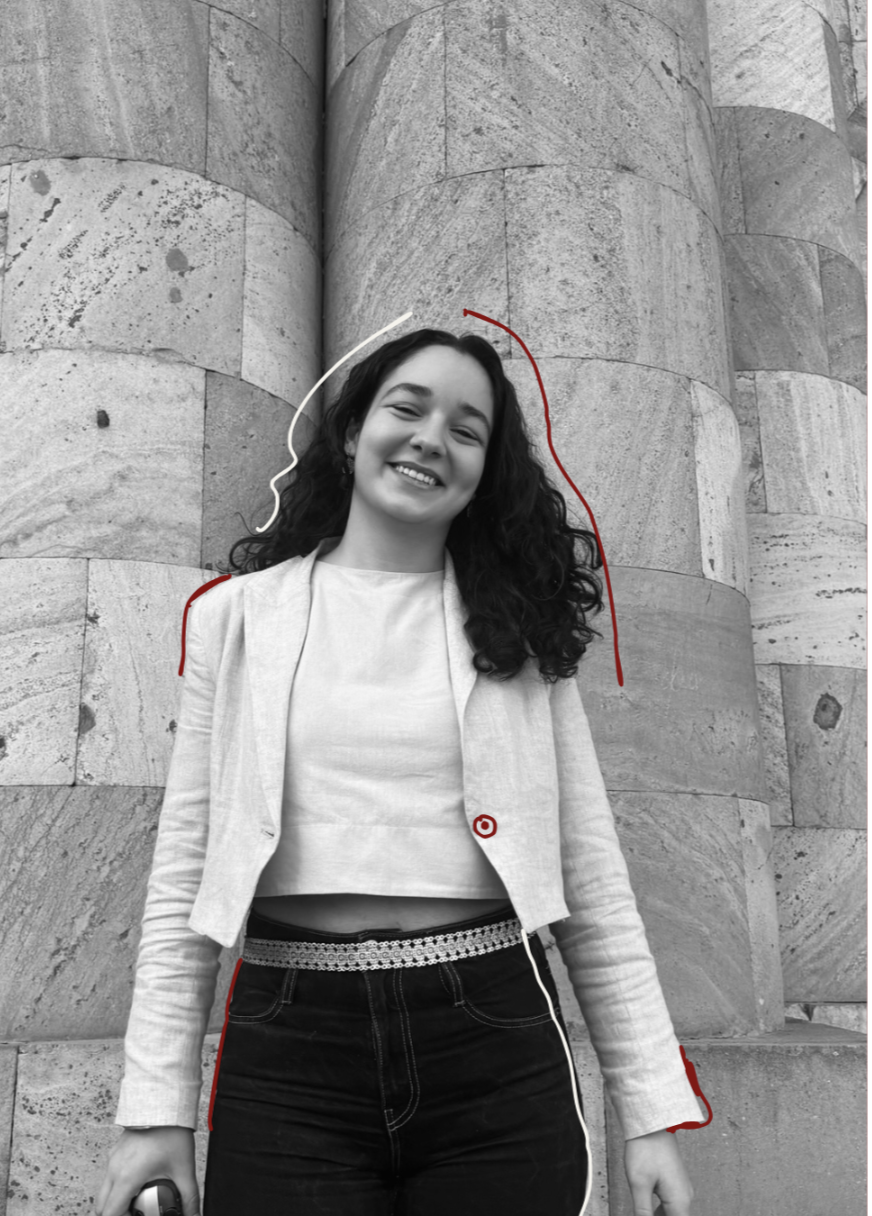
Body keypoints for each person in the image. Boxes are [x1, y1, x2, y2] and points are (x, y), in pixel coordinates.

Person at [95, 329, 702, 1216]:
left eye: (466, 429)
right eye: (407, 409)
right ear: (353, 433)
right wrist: (156, 1113)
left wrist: (649, 1116)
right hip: (289, 1045)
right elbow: (183, 872)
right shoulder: (237, 620)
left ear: (484, 470)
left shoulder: (517, 638)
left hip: (495, 1038)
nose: (430, 439)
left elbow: (595, 887)